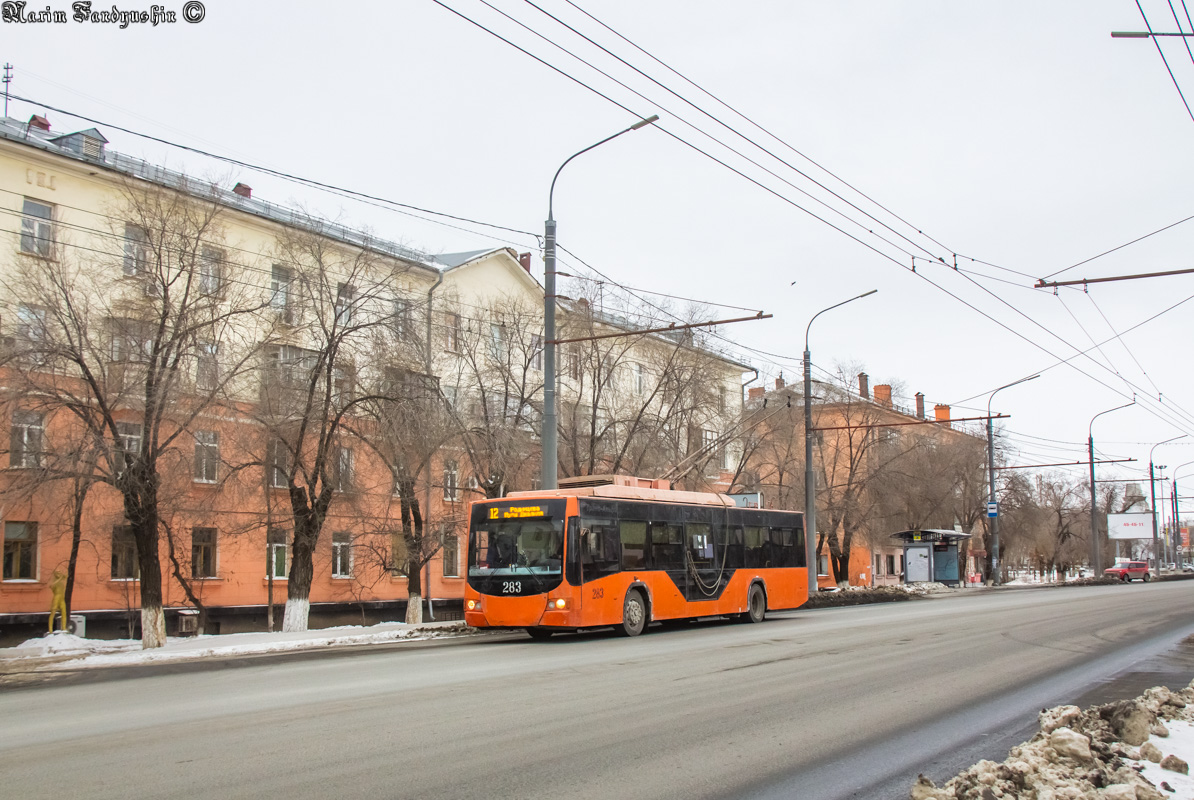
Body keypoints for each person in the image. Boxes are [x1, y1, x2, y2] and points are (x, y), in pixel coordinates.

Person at [48, 568, 68, 634]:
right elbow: (52, 586)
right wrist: (61, 578)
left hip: (62, 598)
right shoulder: (53, 582)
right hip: (56, 598)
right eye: (57, 573)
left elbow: (67, 575)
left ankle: (64, 628)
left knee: (64, 613)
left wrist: (65, 572)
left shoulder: (61, 581)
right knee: (53, 613)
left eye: (60, 572)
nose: (59, 574)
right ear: (55, 574)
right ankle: (50, 630)